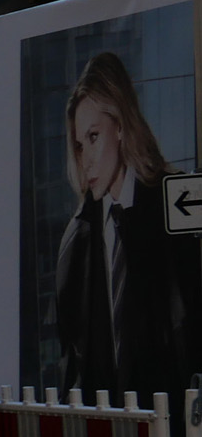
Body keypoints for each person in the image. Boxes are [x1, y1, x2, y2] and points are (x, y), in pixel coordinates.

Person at [55, 51, 194, 398]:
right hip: (107, 425)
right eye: (79, 145)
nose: (86, 159)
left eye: (93, 137)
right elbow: (71, 364)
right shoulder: (77, 240)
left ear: (119, 126)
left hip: (172, 419)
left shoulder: (171, 203)